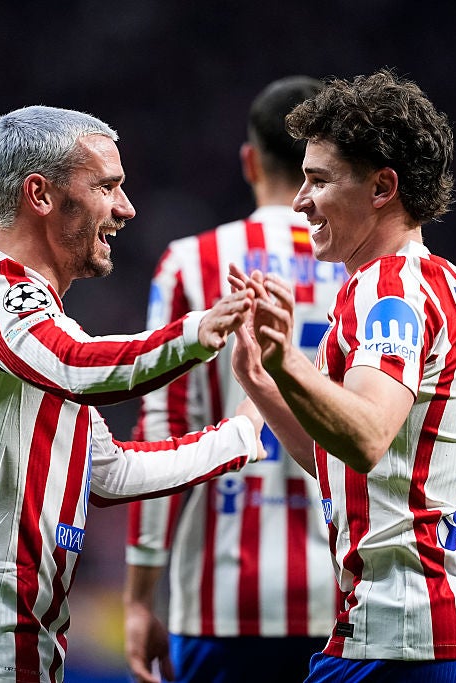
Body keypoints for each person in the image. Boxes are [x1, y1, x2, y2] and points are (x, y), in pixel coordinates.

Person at [0, 105, 267, 683]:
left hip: (15, 663)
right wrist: (197, 331)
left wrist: (242, 433)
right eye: (106, 187)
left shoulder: (35, 334)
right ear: (40, 194)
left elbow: (107, 472)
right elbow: (78, 365)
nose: (125, 208)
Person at [230, 69, 456, 682]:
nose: (300, 200)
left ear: (382, 187)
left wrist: (287, 358)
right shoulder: (434, 277)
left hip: (411, 633)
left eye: (320, 180)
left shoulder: (388, 289)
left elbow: (368, 434)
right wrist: (265, 383)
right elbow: (340, 455)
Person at [123, 76, 347, 683]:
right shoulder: (364, 269)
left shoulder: (190, 263)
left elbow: (161, 429)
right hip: (347, 594)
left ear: (250, 161)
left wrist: (140, 596)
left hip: (222, 596)